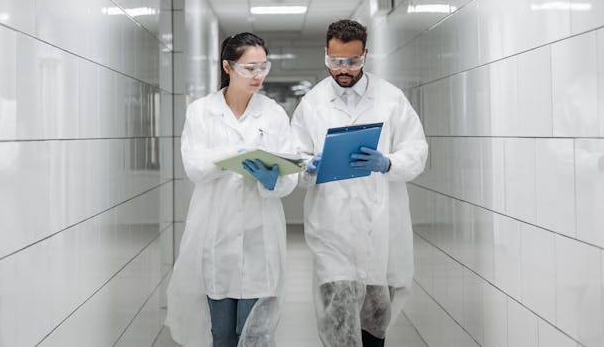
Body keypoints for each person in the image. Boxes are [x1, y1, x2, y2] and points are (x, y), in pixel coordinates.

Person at [292, 20, 428, 347]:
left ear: (365, 54)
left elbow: (417, 149)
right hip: (332, 227)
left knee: (376, 320)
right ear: (326, 54)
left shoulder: (391, 99)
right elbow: (294, 156)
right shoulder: (312, 103)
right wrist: (307, 166)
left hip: (382, 227)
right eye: (335, 60)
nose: (343, 69)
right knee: (338, 318)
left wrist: (389, 162)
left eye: (352, 61)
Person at [166, 32, 297, 347]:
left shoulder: (273, 113)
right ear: (227, 66)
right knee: (222, 336)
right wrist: (231, 159)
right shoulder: (201, 111)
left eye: (263, 67)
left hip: (260, 237)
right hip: (217, 234)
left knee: (254, 335)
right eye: (249, 68)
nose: (258, 76)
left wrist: (271, 180)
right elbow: (194, 166)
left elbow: (289, 175)